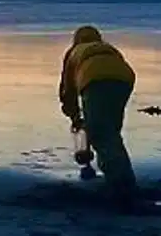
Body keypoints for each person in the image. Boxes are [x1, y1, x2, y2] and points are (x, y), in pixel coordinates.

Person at [59, 25, 139, 200]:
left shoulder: (74, 51)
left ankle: (120, 185)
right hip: (125, 78)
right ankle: (122, 176)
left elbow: (67, 91)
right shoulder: (106, 48)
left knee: (100, 135)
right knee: (111, 132)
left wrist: (74, 117)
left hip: (94, 78)